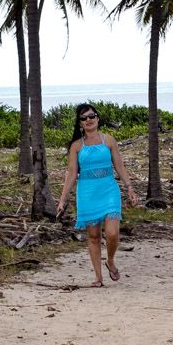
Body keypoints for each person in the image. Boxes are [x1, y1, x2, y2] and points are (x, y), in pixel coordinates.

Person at [56, 102, 139, 288]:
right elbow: (71, 173)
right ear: (80, 123)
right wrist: (62, 199)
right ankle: (99, 278)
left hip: (109, 190)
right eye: (84, 118)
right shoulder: (76, 146)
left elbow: (119, 166)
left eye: (91, 116)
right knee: (93, 236)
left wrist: (130, 188)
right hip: (87, 193)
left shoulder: (109, 141)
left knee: (112, 232)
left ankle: (110, 260)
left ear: (98, 118)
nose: (88, 120)